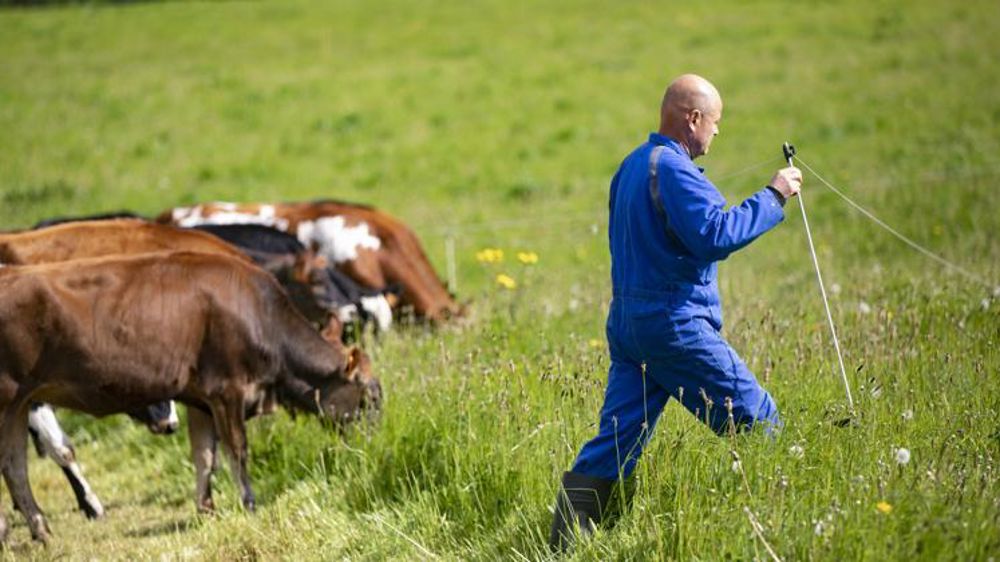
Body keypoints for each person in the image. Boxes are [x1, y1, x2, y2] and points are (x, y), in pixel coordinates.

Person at [549, 74, 803, 551]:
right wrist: (773, 196)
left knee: (617, 442)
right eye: (715, 122)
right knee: (760, 420)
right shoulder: (675, 170)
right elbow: (715, 236)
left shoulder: (629, 167)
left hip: (628, 326)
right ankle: (775, 532)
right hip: (674, 326)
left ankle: (564, 546)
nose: (717, 132)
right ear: (693, 119)